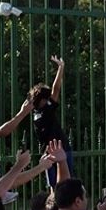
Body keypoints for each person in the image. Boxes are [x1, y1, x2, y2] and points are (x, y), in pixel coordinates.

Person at [28, 55, 74, 185]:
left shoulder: (38, 112)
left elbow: (55, 90)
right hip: (56, 149)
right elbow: (56, 89)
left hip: (56, 149)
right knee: (61, 183)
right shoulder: (43, 110)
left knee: (59, 185)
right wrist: (61, 67)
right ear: (42, 100)